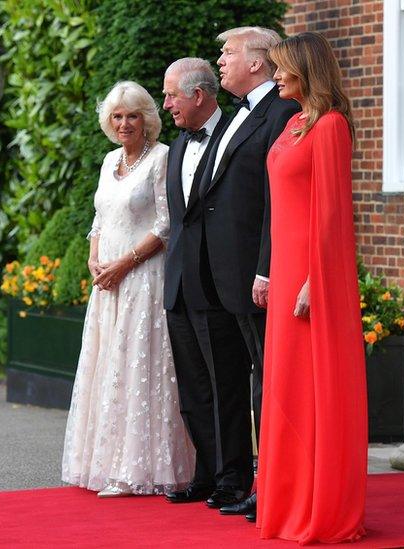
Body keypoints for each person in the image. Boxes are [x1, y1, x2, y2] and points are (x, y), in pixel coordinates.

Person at [257, 32, 367, 544]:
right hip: (284, 273)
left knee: (312, 389)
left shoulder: (330, 126)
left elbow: (330, 214)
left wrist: (313, 281)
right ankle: (286, 503)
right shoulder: (294, 122)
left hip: (310, 277)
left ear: (306, 69)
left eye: (281, 68)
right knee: (284, 389)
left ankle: (319, 506)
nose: (274, 74)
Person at [61, 81, 194, 497]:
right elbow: (99, 219)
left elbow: (167, 223)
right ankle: (102, 463)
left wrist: (125, 263)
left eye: (132, 115)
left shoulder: (161, 158)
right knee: (107, 367)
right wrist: (94, 256)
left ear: (147, 119)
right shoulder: (107, 161)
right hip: (108, 282)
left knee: (139, 367)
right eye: (117, 116)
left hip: (143, 278)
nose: (124, 123)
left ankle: (137, 469)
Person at [198, 26, 301, 519]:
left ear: (257, 62)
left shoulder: (281, 111)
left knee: (268, 380)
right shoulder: (235, 115)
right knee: (241, 381)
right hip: (221, 274)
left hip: (255, 276)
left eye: (228, 52)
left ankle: (274, 484)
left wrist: (266, 269)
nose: (220, 60)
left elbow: (274, 202)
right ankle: (240, 478)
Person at [159, 58, 246, 506]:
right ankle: (207, 474)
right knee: (192, 389)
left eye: (172, 94)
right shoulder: (176, 145)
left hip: (216, 281)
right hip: (178, 284)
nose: (166, 103)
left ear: (199, 95)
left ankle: (235, 478)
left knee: (226, 385)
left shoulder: (234, 135)